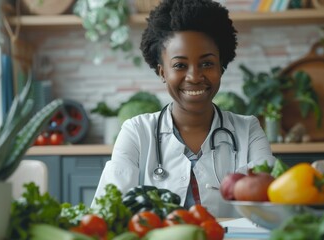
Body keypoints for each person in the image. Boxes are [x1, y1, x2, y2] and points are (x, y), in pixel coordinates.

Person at [92, 0, 276, 217]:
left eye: (207, 64)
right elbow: (107, 213)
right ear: (162, 72)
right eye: (180, 65)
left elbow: (271, 208)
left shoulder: (248, 130)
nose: (195, 77)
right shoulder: (136, 131)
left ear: (221, 67)